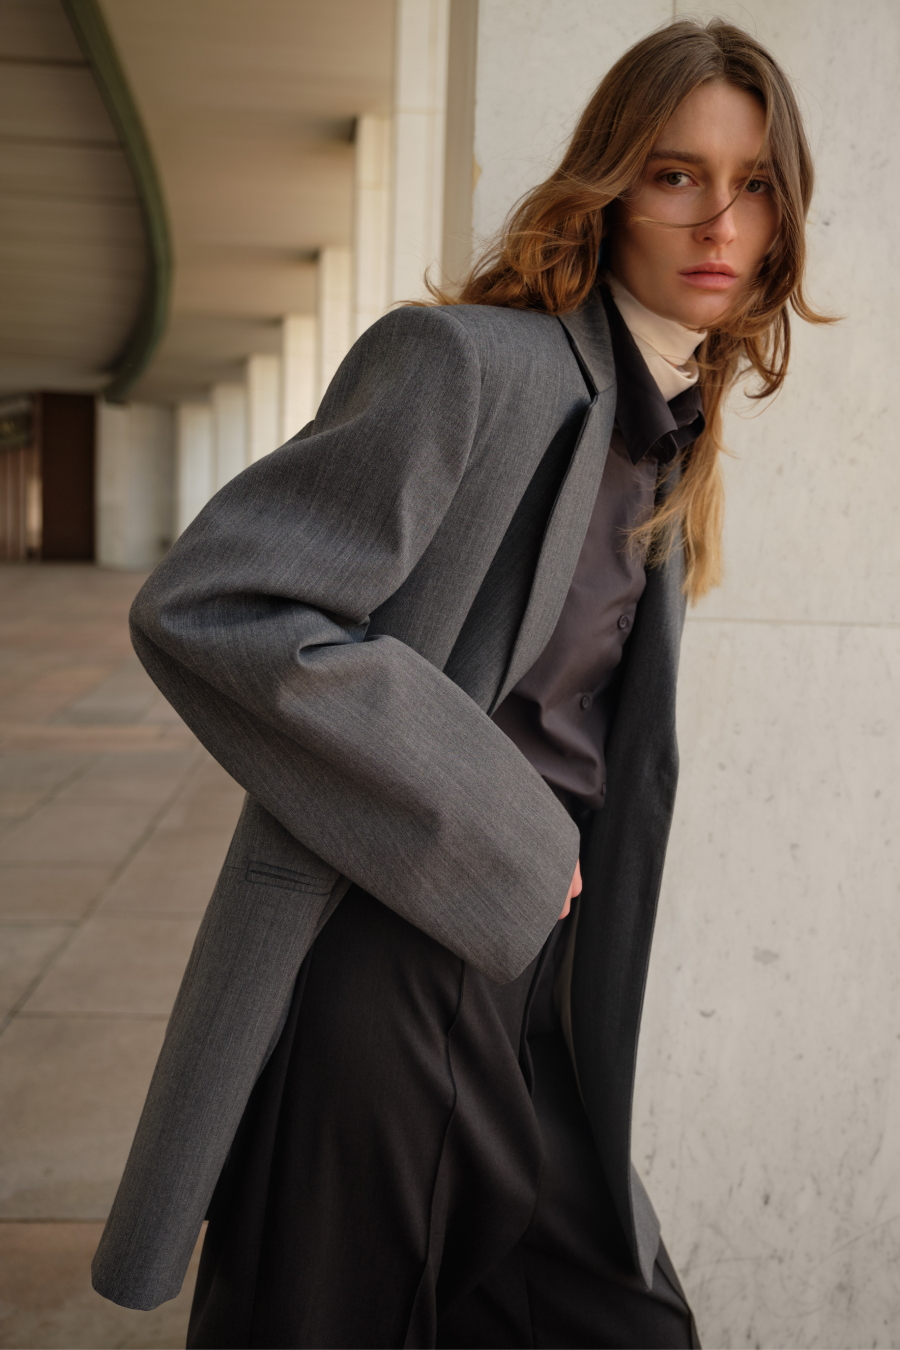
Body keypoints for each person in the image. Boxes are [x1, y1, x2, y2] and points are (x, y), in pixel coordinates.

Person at [92, 17, 828, 1348]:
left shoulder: (665, 432)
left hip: (530, 999)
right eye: (675, 174)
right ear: (610, 186)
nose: (721, 220)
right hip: (387, 972)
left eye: (756, 182)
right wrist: (510, 826)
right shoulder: (470, 364)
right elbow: (219, 604)